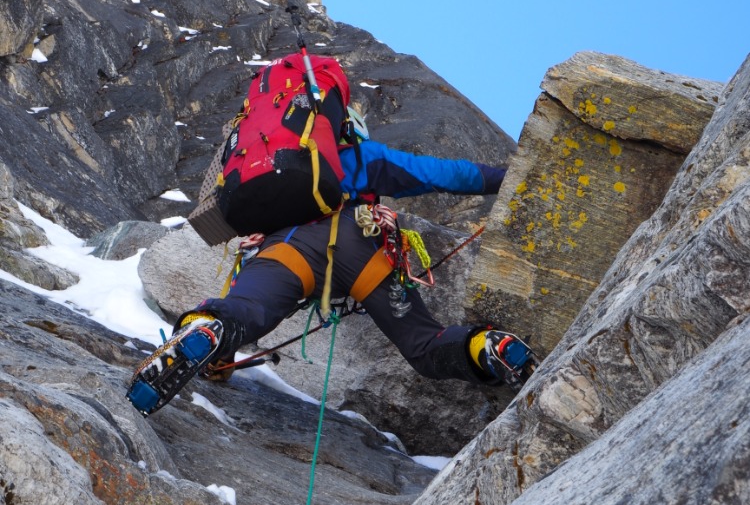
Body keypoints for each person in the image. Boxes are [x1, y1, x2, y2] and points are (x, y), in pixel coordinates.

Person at [128, 91, 535, 417]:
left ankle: (206, 332)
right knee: (424, 346)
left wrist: (223, 360)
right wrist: (510, 179)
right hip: (363, 247)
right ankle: (487, 348)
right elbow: (445, 174)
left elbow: (247, 283)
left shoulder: (277, 174)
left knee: (246, 310)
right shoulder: (366, 157)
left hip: (289, 249)